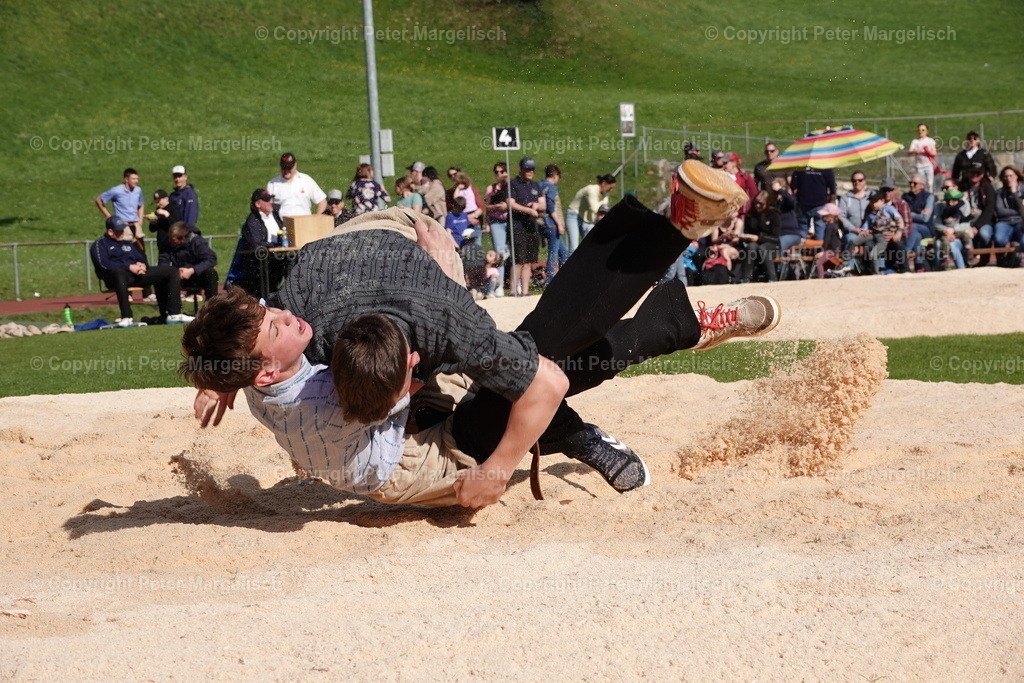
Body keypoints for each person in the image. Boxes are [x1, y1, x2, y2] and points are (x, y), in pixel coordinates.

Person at [185, 190, 782, 507]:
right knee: (522, 377)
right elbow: (253, 331)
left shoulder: (450, 321)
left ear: (420, 362)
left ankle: (672, 266)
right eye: (271, 325)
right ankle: (595, 404)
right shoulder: (303, 312)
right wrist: (219, 374)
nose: (282, 318)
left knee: (545, 350)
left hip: (411, 257)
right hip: (366, 252)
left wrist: (496, 470)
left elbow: (541, 378)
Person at [90, 216, 193, 327]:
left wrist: (141, 265)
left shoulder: (127, 244)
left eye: (122, 230)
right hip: (115, 278)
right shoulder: (99, 245)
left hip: (136, 275)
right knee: (119, 273)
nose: (122, 233)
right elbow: (104, 265)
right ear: (110, 231)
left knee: (171, 271)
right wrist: (129, 267)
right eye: (119, 231)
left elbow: (141, 258)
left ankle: (174, 314)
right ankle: (127, 317)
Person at [225, 188, 289, 295]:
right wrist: (274, 245)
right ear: (258, 204)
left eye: (270, 199)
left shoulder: (276, 216)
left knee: (292, 262)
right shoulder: (252, 221)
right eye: (267, 200)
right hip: (259, 260)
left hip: (277, 256)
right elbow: (255, 244)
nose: (271, 202)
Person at [507, 157, 544, 296]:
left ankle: (525, 291)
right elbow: (510, 203)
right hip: (517, 227)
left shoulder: (535, 186)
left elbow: (543, 204)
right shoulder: (513, 184)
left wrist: (536, 206)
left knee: (528, 262)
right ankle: (512, 291)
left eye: (532, 169)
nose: (530, 172)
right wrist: (529, 210)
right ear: (521, 169)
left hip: (532, 228)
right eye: (527, 169)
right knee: (518, 261)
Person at [159, 222, 219, 301]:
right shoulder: (167, 244)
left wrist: (192, 270)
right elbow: (163, 262)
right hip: (177, 276)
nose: (170, 241)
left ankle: (212, 307)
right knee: (160, 275)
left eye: (173, 239)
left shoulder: (197, 242)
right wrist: (174, 272)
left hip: (196, 276)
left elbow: (211, 259)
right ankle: (170, 310)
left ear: (183, 238)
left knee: (211, 273)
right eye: (169, 238)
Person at [95, 168, 145, 254]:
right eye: (133, 179)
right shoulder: (116, 190)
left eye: (137, 179)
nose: (136, 181)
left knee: (141, 252)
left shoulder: (138, 190)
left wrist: (140, 219)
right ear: (126, 179)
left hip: (136, 225)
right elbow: (99, 200)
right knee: (126, 252)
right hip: (123, 225)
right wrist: (109, 216)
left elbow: (141, 205)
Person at [266, 152, 327, 217]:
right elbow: (266, 207)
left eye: (289, 168)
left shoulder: (306, 180)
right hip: (282, 225)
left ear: (295, 165)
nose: (286, 171)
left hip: (304, 223)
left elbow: (322, 201)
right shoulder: (272, 184)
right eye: (284, 168)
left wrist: (317, 218)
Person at [565, 174, 616, 252]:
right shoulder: (591, 190)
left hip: (586, 219)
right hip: (573, 215)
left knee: (589, 244)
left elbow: (604, 209)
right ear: (604, 183)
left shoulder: (605, 194)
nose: (611, 190)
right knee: (574, 247)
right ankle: (570, 263)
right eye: (611, 187)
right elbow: (595, 208)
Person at [739, 190, 781, 282]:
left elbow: (775, 238)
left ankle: (772, 278)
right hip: (754, 245)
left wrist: (759, 238)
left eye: (760, 204)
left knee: (763, 248)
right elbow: (747, 232)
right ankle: (746, 278)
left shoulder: (774, 214)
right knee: (751, 247)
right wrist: (745, 237)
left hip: (772, 246)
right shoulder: (751, 215)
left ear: (767, 203)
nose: (757, 205)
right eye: (755, 202)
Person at [538, 164, 569, 285]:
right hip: (551, 225)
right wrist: (559, 224)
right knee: (553, 254)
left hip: (541, 223)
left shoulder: (539, 185)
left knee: (564, 253)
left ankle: (564, 279)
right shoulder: (551, 187)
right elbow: (550, 206)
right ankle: (551, 282)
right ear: (556, 175)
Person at [483, 163, 510, 294]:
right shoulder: (491, 188)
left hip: (511, 221)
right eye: (497, 172)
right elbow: (486, 207)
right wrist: (497, 206)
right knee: (500, 254)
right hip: (496, 222)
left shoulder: (511, 187)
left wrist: (507, 205)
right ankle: (499, 284)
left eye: (502, 171)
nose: (499, 174)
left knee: (511, 252)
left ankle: (516, 283)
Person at [789, 167, 836, 240]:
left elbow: (793, 187)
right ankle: (819, 249)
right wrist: (830, 205)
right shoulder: (826, 167)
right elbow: (832, 190)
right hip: (820, 205)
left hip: (803, 204)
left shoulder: (800, 166)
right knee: (820, 235)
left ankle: (801, 249)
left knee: (802, 234)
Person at [902, 174, 935, 272]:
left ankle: (903, 256)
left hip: (927, 229)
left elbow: (925, 218)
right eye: (910, 183)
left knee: (914, 226)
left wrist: (909, 214)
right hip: (912, 230)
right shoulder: (905, 197)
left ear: (922, 185)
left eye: (914, 183)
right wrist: (917, 213)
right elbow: (902, 214)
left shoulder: (929, 197)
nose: (911, 185)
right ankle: (919, 265)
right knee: (916, 235)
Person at [992, 166, 1024, 253]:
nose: (1008, 178)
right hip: (1004, 222)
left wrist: (1014, 193)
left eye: (1011, 176)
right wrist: (1018, 211)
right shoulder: (1000, 192)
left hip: (1020, 221)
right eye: (1006, 176)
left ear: (1016, 176)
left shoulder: (1022, 189)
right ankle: (1005, 260)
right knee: (999, 239)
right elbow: (1000, 211)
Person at [146, 189, 182, 256]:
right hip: (162, 245)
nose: (158, 204)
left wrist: (167, 215)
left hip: (173, 245)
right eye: (156, 202)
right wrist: (153, 221)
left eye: (159, 201)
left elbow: (176, 225)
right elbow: (152, 229)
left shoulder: (174, 208)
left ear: (166, 199)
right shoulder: (158, 210)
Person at [812, 203, 843, 279]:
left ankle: (820, 278)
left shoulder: (830, 226)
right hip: (834, 249)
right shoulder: (835, 225)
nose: (822, 217)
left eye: (824, 215)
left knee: (818, 262)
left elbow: (827, 240)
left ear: (831, 216)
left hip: (832, 250)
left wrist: (823, 251)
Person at [908, 124, 939, 193]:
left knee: (930, 183)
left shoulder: (930, 141)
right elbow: (909, 151)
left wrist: (927, 151)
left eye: (923, 130)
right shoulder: (915, 141)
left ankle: (930, 195)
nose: (920, 132)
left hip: (928, 165)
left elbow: (934, 153)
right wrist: (916, 151)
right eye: (919, 130)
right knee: (920, 183)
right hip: (919, 165)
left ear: (927, 131)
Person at [169, 165, 200, 230]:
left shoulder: (189, 194)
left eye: (180, 176)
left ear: (185, 177)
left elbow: (190, 216)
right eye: (175, 177)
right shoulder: (172, 195)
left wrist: (184, 232)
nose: (177, 179)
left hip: (183, 232)